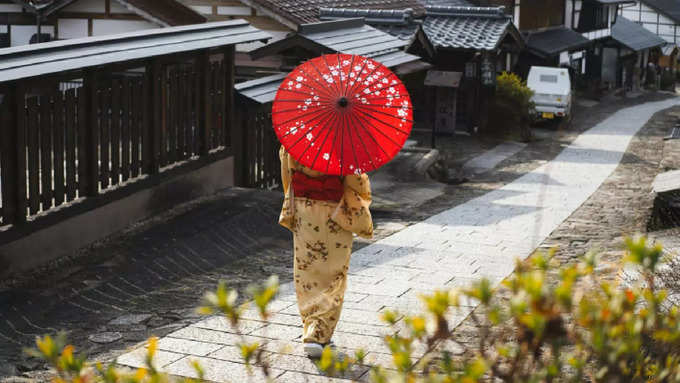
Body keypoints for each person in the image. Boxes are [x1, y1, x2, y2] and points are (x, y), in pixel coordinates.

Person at [278, 146, 373, 358]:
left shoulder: (295, 139)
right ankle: (319, 334)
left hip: (304, 210)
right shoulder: (343, 141)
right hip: (334, 211)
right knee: (333, 274)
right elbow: (356, 181)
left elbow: (287, 174)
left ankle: (311, 327)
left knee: (307, 272)